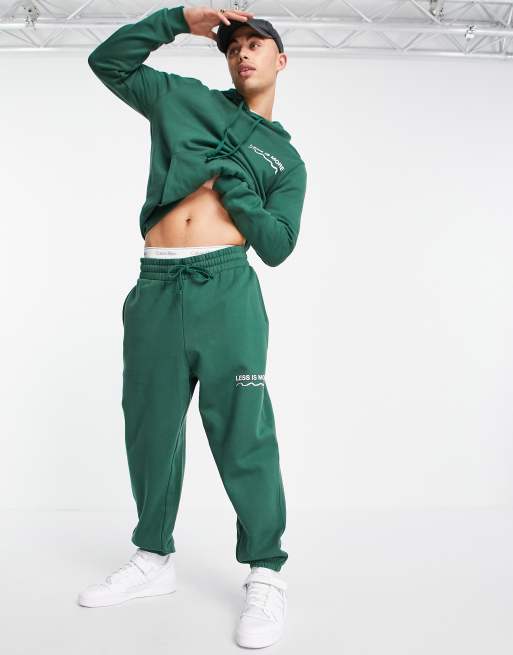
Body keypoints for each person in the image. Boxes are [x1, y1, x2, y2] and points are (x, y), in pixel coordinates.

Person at [78, 5, 307, 649]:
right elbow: (107, 62)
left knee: (242, 431)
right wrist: (179, 18)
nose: (243, 53)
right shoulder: (184, 100)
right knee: (149, 426)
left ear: (281, 60)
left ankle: (266, 571)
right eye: (233, 46)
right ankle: (153, 556)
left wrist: (235, 186)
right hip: (155, 285)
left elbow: (278, 245)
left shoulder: (284, 160)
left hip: (226, 290)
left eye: (256, 44)